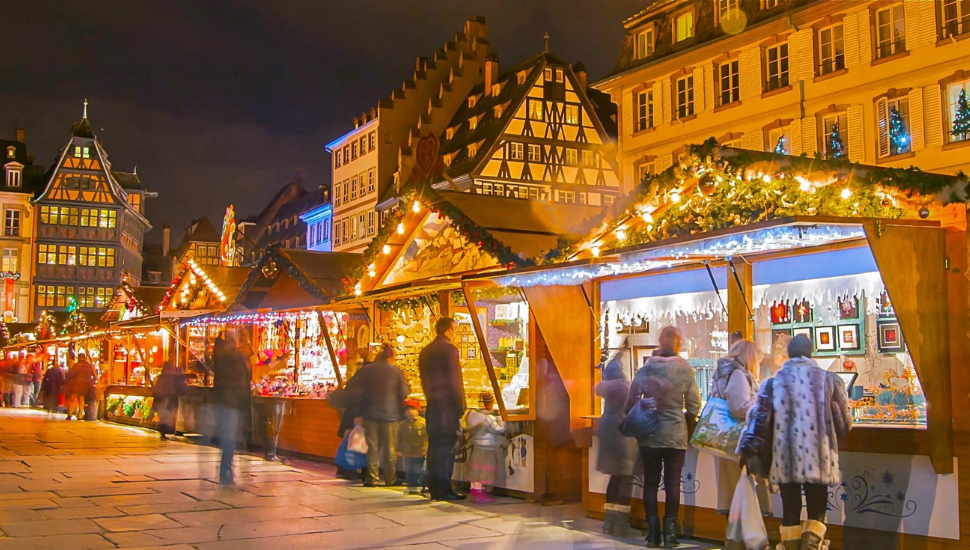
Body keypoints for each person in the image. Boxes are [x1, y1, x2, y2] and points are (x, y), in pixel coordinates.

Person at [763, 335, 852, 550]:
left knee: (790, 510)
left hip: (785, 456)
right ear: (811, 353)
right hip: (817, 456)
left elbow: (763, 421)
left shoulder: (774, 382)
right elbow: (844, 423)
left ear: (790, 354)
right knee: (817, 510)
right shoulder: (829, 380)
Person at [625, 326, 701, 549]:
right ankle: (670, 535)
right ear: (679, 342)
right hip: (675, 434)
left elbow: (630, 401)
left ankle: (653, 535)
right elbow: (695, 405)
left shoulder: (647, 369)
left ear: (659, 342)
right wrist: (684, 420)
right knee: (672, 483)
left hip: (649, 432)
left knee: (650, 483)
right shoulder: (686, 369)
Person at [710, 339, 772, 535]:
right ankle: (746, 536)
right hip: (737, 441)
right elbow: (738, 406)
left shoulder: (723, 371)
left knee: (731, 490)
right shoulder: (738, 374)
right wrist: (759, 405)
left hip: (722, 438)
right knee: (743, 489)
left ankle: (735, 536)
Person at [418, 317, 467, 501]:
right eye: (453, 330)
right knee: (446, 451)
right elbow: (455, 381)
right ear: (448, 330)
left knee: (434, 450)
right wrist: (461, 406)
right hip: (447, 410)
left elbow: (424, 380)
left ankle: (436, 489)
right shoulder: (449, 350)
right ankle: (445, 489)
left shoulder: (426, 351)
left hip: (433, 408)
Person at [345, 344, 407, 487]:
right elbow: (403, 393)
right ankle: (390, 479)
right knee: (390, 448)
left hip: (370, 414)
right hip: (390, 415)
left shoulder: (367, 370)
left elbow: (354, 388)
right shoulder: (396, 371)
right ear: (391, 357)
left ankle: (371, 478)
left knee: (372, 447)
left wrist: (359, 411)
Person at [596, 355, 639, 537]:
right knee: (626, 477)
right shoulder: (624, 388)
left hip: (607, 429)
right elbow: (634, 406)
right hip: (623, 431)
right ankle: (621, 525)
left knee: (614, 477)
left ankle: (609, 522)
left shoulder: (606, 388)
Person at [211, 331, 252, 484]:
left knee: (228, 436)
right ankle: (226, 468)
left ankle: (226, 466)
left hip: (226, 401)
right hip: (232, 402)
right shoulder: (233, 357)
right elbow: (239, 381)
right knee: (229, 437)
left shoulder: (223, 356)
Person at [463, 407, 506, 504]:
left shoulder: (470, 417)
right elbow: (499, 429)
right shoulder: (487, 419)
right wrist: (501, 419)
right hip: (486, 447)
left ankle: (474, 493)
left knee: (476, 471)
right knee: (483, 472)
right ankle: (479, 495)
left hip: (477, 447)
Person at [397, 399, 428, 495]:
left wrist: (426, 448)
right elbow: (399, 438)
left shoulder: (423, 423)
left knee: (419, 469)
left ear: (417, 411)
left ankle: (418, 485)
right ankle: (410, 485)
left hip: (419, 451)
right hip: (407, 452)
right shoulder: (402, 425)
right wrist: (398, 449)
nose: (410, 412)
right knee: (409, 469)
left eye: (413, 410)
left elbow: (427, 437)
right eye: (408, 410)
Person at [153, 357, 187, 439]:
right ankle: (165, 430)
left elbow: (158, 388)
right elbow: (179, 387)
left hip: (162, 398)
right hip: (168, 397)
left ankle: (163, 431)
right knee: (167, 415)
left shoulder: (162, 376)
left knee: (164, 416)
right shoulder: (172, 376)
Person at [65, 353, 96, 420]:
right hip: (85, 386)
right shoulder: (89, 366)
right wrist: (91, 382)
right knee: (81, 400)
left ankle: (70, 414)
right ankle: (80, 415)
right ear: (84, 358)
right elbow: (94, 375)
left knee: (72, 400)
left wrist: (67, 382)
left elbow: (70, 375)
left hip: (75, 385)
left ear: (79, 358)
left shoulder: (76, 365)